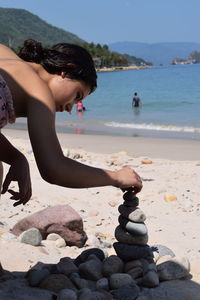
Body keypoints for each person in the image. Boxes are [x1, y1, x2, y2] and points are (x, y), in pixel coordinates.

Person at [0, 39, 142, 207]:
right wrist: (116, 177)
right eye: (77, 96)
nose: (69, 108)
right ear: (66, 71)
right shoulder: (39, 92)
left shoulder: (5, 52)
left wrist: (16, 158)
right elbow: (54, 169)